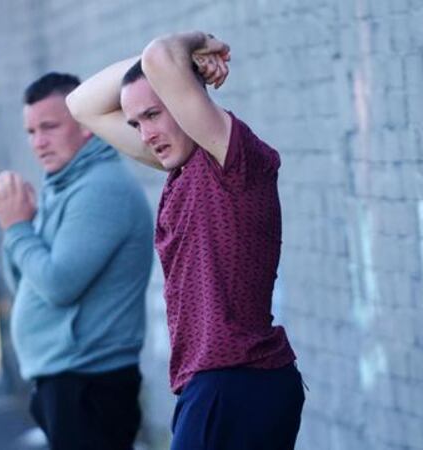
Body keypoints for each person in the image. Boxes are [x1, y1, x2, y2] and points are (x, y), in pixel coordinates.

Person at [67, 32, 305, 449]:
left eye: (154, 114)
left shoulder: (234, 159)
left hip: (236, 379)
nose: (146, 134)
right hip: (216, 384)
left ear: (183, 99)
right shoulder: (181, 170)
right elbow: (81, 104)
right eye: (136, 123)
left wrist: (196, 47)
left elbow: (159, 56)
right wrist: (171, 65)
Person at [0, 72, 154, 450]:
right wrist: (20, 228)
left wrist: (16, 229)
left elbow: (59, 285)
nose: (38, 143)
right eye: (31, 132)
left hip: (90, 382)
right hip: (66, 379)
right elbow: (28, 286)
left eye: (49, 127)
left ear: (87, 127)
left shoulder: (100, 188)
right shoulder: (63, 184)